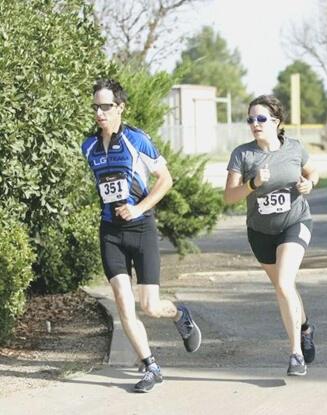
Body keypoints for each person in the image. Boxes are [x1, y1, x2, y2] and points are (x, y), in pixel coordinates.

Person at [81, 79, 202, 392]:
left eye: (106, 106)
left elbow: (165, 179)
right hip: (110, 232)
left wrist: (138, 208)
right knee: (123, 302)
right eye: (95, 107)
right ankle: (151, 366)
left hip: (141, 229)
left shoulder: (137, 139)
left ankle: (180, 315)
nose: (99, 112)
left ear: (120, 107)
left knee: (150, 306)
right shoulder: (88, 146)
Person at [224, 95, 319, 376]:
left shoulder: (294, 148)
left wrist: (309, 184)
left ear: (276, 121)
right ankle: (305, 327)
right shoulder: (243, 155)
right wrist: (252, 184)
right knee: (283, 288)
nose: (255, 124)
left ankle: (295, 354)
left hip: (295, 222)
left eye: (261, 118)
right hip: (260, 232)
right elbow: (229, 197)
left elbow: (313, 172)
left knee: (285, 282)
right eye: (251, 119)